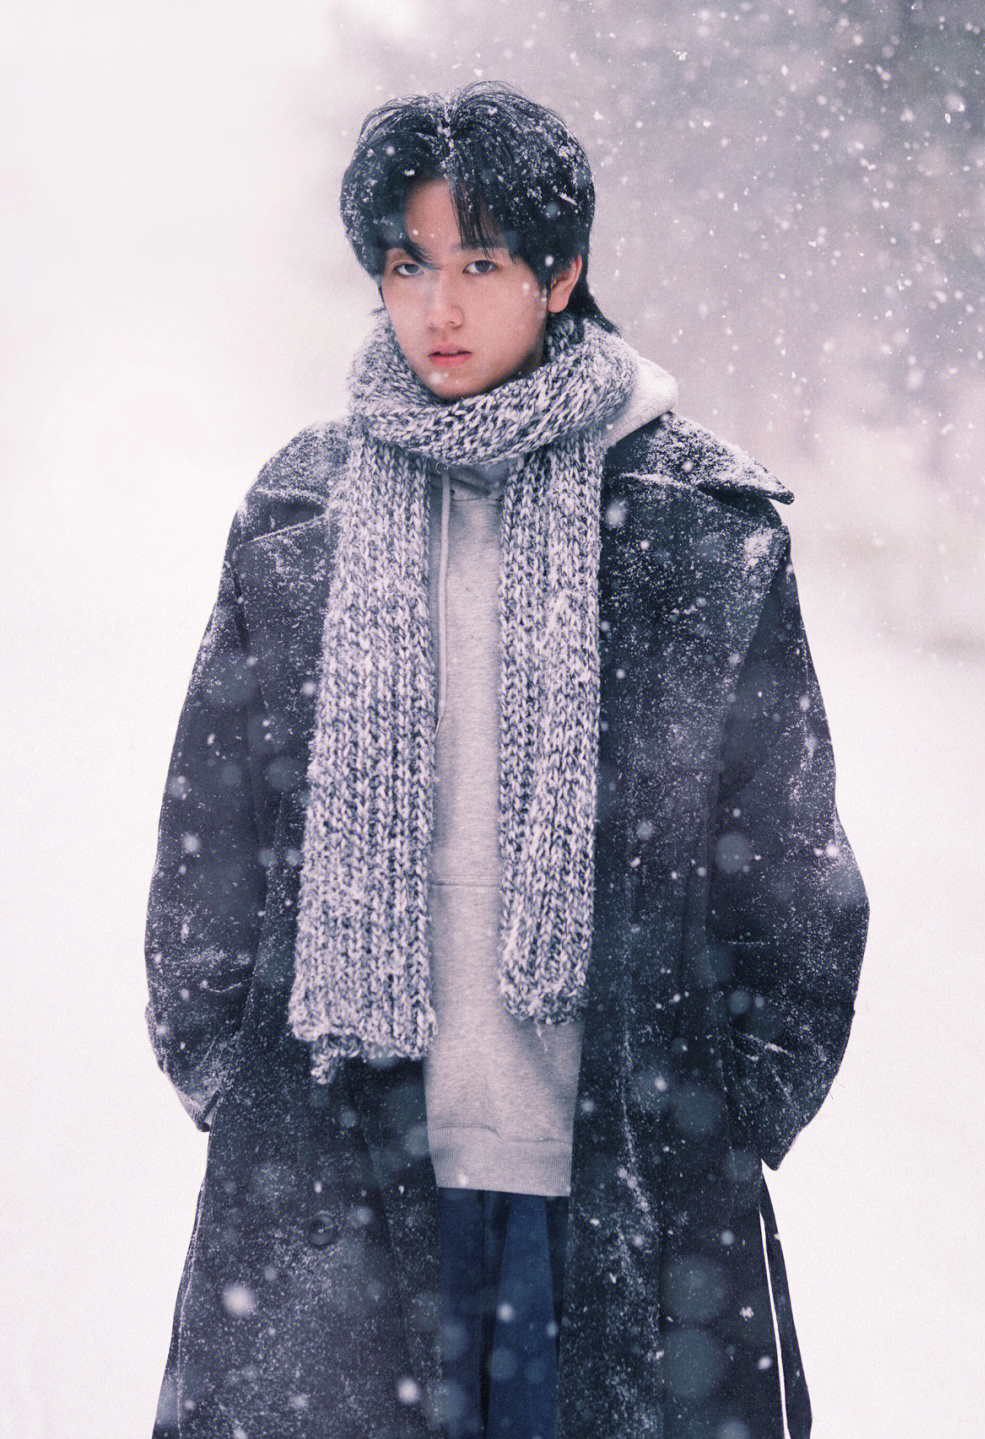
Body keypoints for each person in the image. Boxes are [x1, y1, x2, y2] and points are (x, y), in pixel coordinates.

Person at [144, 81, 868, 1439]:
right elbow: (215, 841)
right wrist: (229, 1083)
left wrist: (730, 1112)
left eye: (480, 264)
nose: (443, 308)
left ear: (565, 271)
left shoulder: (695, 523)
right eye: (411, 266)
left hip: (622, 1194)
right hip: (341, 1190)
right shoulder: (301, 513)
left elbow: (788, 858)